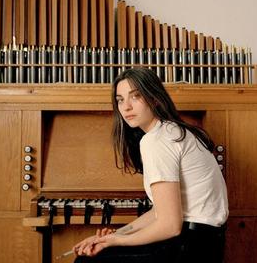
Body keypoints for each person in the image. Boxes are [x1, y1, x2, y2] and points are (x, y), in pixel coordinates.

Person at [73, 68, 229, 263]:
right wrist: (111, 236)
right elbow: (160, 213)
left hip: (189, 247)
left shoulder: (158, 140)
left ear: (154, 98)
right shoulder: (172, 130)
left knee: (86, 261)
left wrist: (115, 241)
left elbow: (170, 225)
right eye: (120, 100)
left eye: (135, 96)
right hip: (206, 243)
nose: (126, 107)